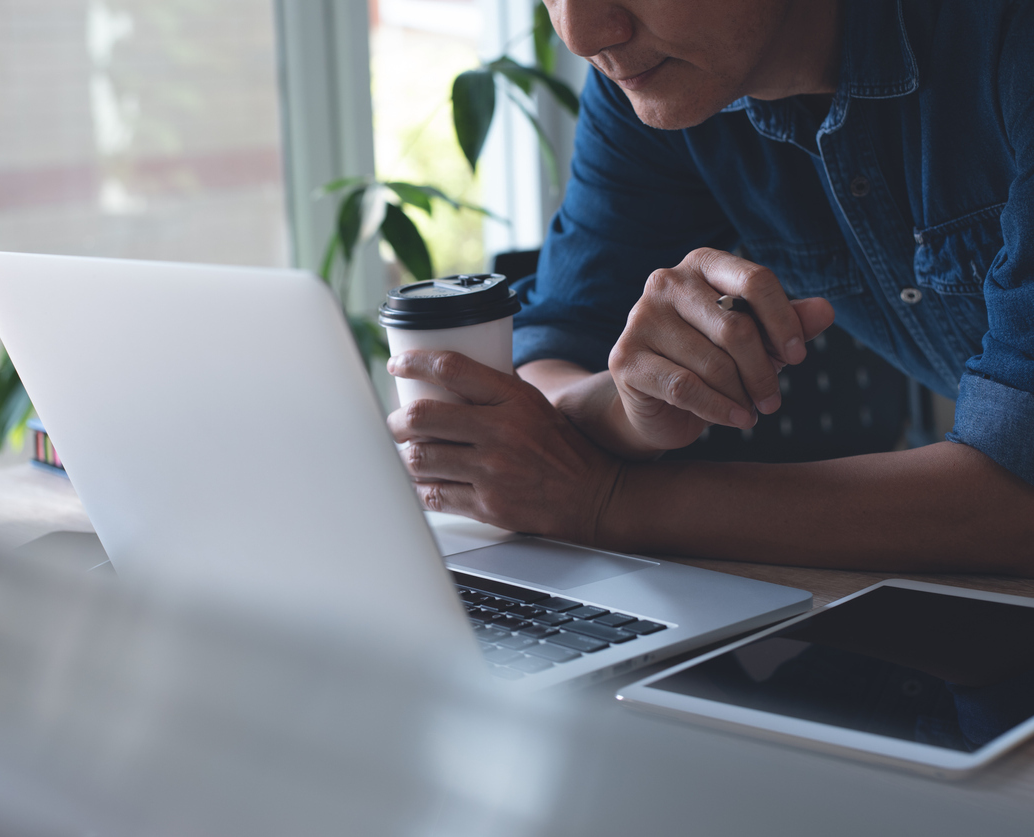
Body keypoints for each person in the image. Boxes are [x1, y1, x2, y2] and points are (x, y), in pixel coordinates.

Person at [385, 0, 1034, 574]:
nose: (580, 32)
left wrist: (606, 502)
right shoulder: (655, 81)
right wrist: (623, 410)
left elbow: (1015, 493)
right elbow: (552, 353)